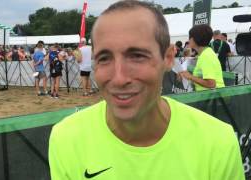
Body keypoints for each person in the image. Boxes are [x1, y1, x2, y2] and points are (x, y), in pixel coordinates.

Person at [49, 1, 244, 180]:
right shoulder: (66, 139)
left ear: (168, 58)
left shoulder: (218, 141)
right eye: (104, 58)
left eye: (137, 56)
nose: (119, 78)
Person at [180, 25, 225, 92]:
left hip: (214, 99)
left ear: (193, 39)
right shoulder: (204, 54)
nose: (188, 40)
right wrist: (187, 77)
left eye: (189, 37)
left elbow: (211, 84)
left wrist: (190, 77)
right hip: (209, 97)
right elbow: (202, 79)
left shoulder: (206, 55)